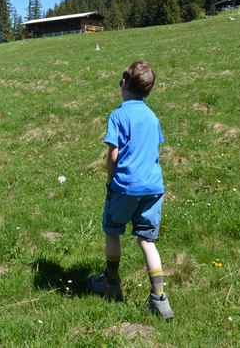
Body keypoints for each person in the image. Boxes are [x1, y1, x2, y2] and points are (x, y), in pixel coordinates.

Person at [88, 60, 174, 320]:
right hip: (153, 186)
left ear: (124, 84)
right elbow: (154, 151)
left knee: (113, 231)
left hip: (125, 186)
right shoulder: (152, 117)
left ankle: (111, 282)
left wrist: (110, 180)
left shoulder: (118, 115)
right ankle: (159, 299)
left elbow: (113, 155)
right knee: (147, 241)